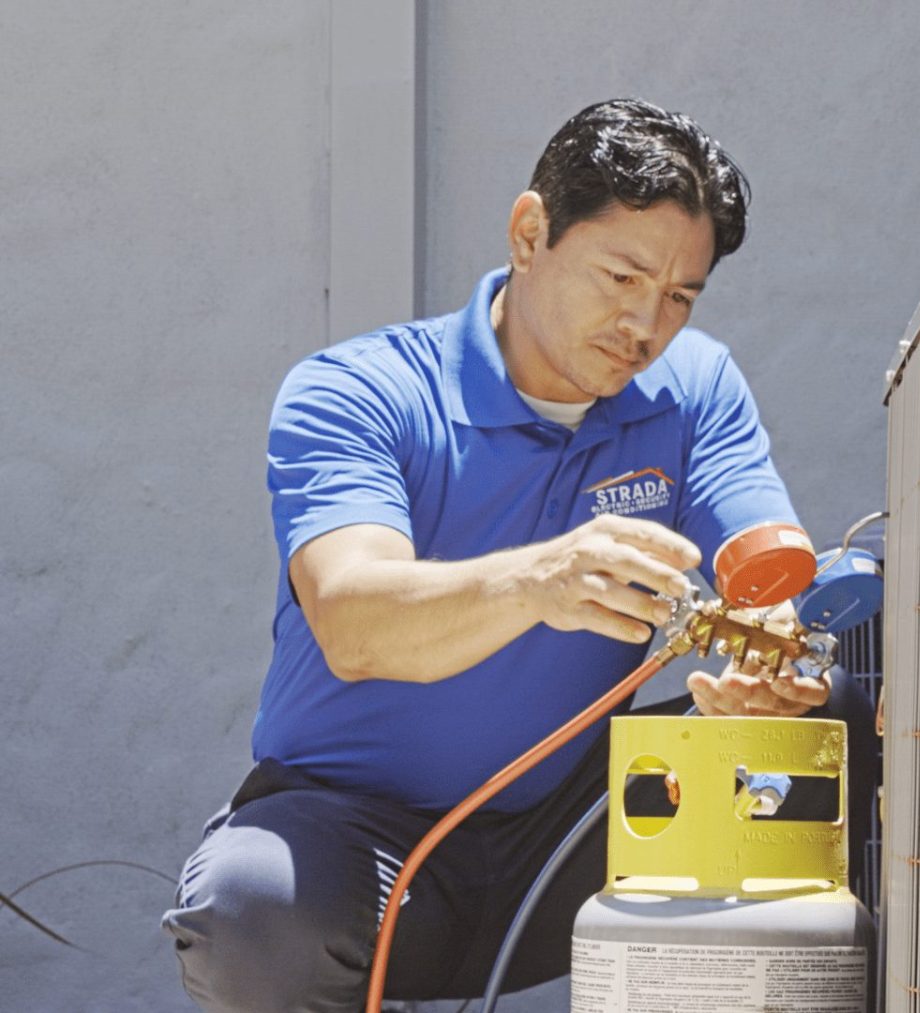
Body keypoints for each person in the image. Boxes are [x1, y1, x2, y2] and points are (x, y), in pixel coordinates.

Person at [161, 98, 875, 1011]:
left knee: (836, 721)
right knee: (253, 911)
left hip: (580, 819)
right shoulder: (358, 392)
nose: (647, 324)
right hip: (363, 841)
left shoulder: (693, 388)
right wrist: (540, 579)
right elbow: (353, 617)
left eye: (680, 295)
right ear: (530, 232)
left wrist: (769, 670)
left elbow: (768, 575)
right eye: (621, 276)